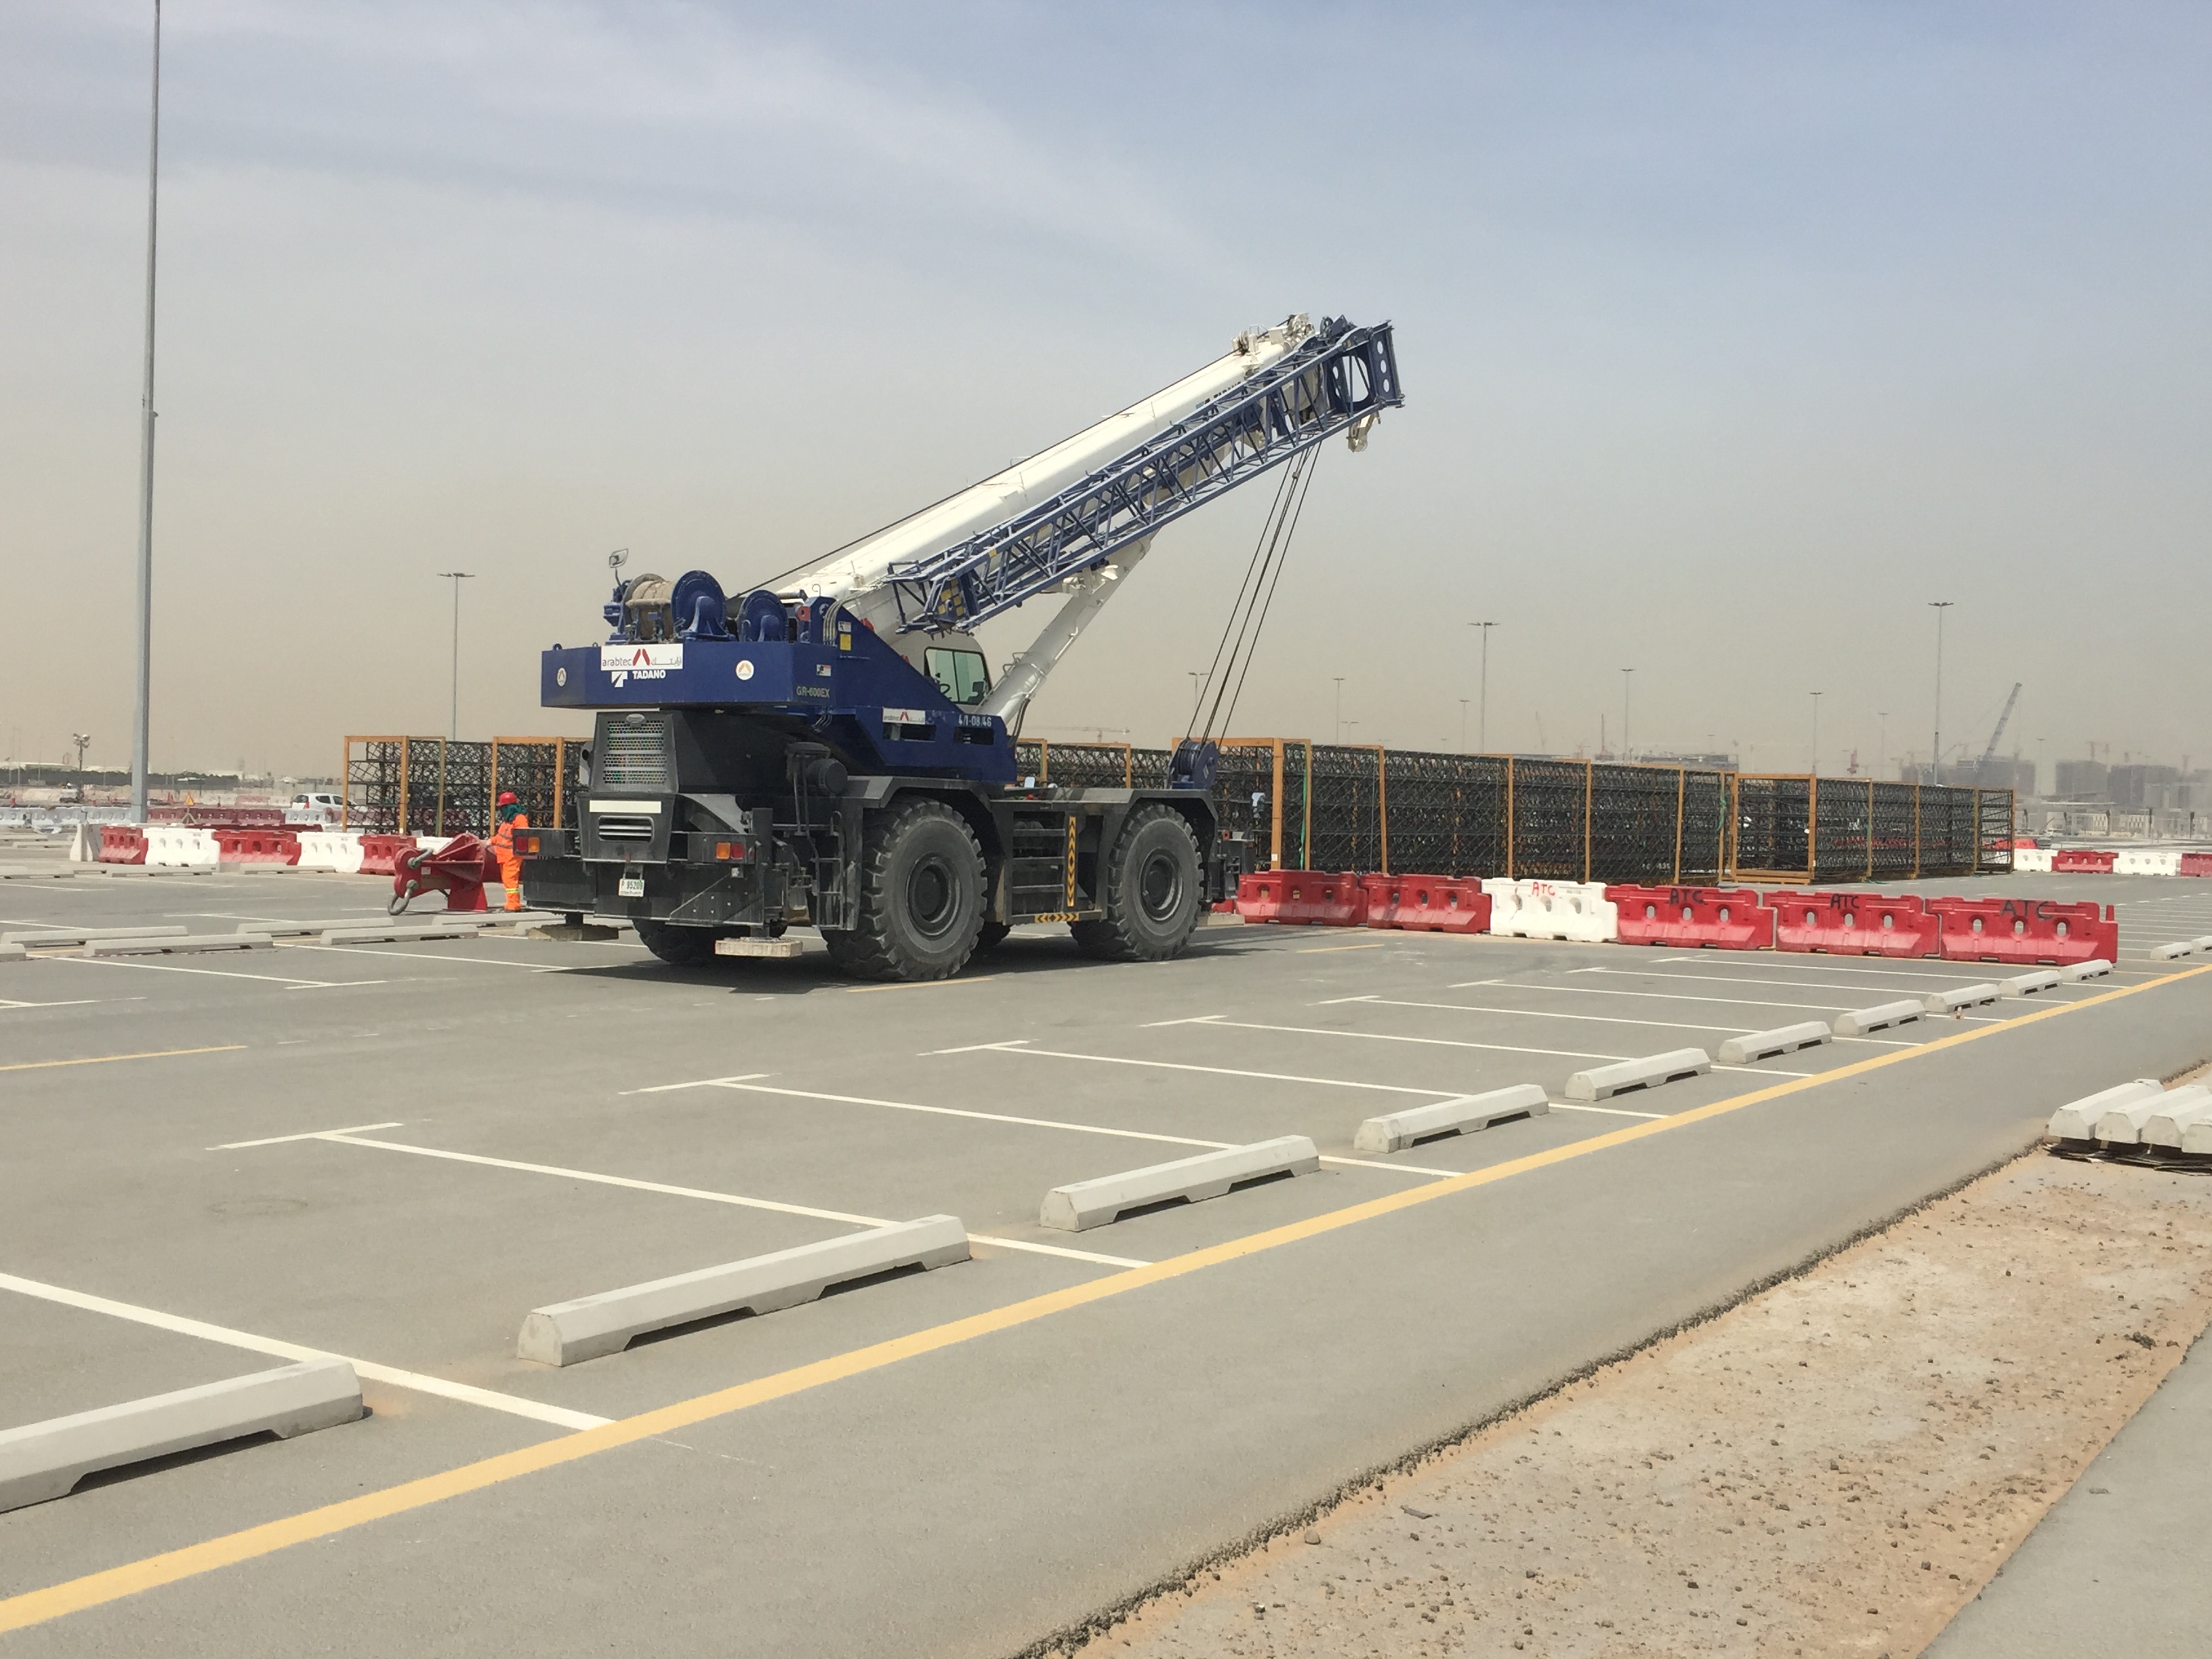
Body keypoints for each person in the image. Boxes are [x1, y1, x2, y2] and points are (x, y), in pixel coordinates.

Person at [489, 790, 530, 912]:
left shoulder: (519, 819)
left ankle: (513, 905)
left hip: (512, 856)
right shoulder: (508, 821)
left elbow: (523, 835)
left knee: (511, 881)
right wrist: (491, 842)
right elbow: (501, 836)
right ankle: (510, 903)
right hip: (504, 856)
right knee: (508, 881)